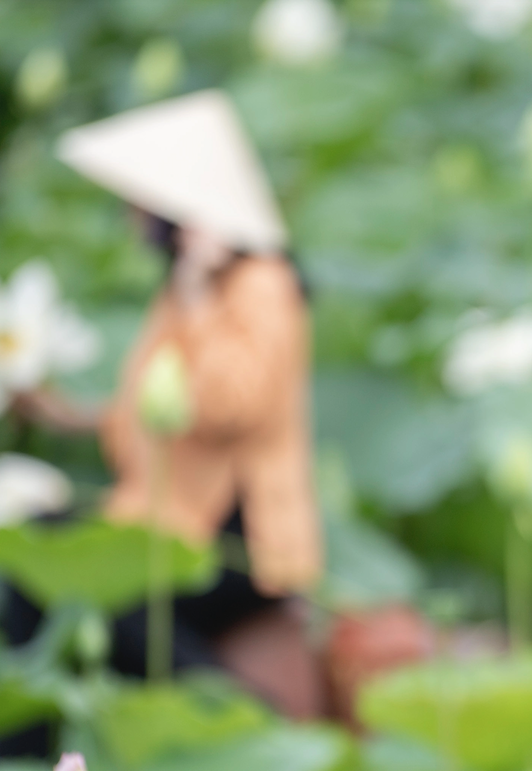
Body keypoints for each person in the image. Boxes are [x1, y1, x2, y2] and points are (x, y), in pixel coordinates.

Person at [8, 91, 323, 713]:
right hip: (170, 514)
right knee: (29, 559)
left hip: (238, 533)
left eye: (142, 204)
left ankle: (236, 715)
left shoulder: (262, 285)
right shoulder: (182, 292)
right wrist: (62, 414)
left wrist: (202, 300)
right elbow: (151, 412)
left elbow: (232, 404)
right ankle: (31, 750)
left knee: (101, 593)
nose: (133, 219)